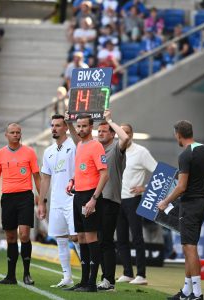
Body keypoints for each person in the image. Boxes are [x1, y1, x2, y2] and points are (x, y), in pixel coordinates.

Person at [157, 120, 204, 300]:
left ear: (178, 134)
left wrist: (165, 201)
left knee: (190, 247)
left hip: (190, 205)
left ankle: (197, 293)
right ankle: (187, 291)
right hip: (202, 203)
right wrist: (201, 175)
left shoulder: (185, 155)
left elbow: (181, 187)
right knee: (188, 246)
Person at [0, 123, 41, 285]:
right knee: (10, 237)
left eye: (18, 132)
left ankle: (26, 273)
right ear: (6, 135)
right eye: (12, 132)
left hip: (25, 197)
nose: (16, 135)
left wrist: (41, 197)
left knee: (24, 234)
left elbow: (37, 177)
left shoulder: (30, 153)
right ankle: (10, 276)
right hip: (8, 198)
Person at [64, 114, 109, 292]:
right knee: (81, 237)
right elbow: (82, 170)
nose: (81, 129)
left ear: (91, 127)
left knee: (91, 238)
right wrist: (72, 181)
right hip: (78, 195)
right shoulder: (80, 145)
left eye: (84, 126)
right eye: (79, 126)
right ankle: (83, 281)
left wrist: (94, 199)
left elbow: (105, 175)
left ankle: (91, 283)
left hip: (90, 196)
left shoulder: (96, 146)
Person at [37, 114, 78, 288]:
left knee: (77, 238)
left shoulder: (75, 145)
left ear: (66, 127)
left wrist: (71, 121)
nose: (54, 128)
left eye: (58, 125)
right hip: (56, 201)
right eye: (52, 125)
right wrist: (41, 202)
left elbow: (79, 141)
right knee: (60, 239)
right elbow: (45, 178)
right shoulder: (48, 151)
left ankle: (88, 277)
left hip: (74, 199)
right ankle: (67, 277)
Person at [91, 110, 129, 291]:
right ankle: (101, 278)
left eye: (105, 130)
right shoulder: (95, 148)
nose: (100, 133)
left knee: (106, 240)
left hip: (110, 200)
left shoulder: (116, 148)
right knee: (97, 241)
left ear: (113, 134)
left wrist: (110, 120)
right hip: (95, 199)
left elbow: (125, 138)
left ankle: (109, 280)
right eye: (99, 130)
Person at [116, 123, 157, 285]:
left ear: (131, 135)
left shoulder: (141, 152)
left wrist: (144, 188)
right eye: (122, 132)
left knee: (137, 237)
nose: (124, 135)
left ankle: (141, 274)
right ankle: (127, 272)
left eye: (127, 132)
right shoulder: (115, 150)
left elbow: (158, 171)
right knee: (121, 239)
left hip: (133, 200)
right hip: (117, 199)